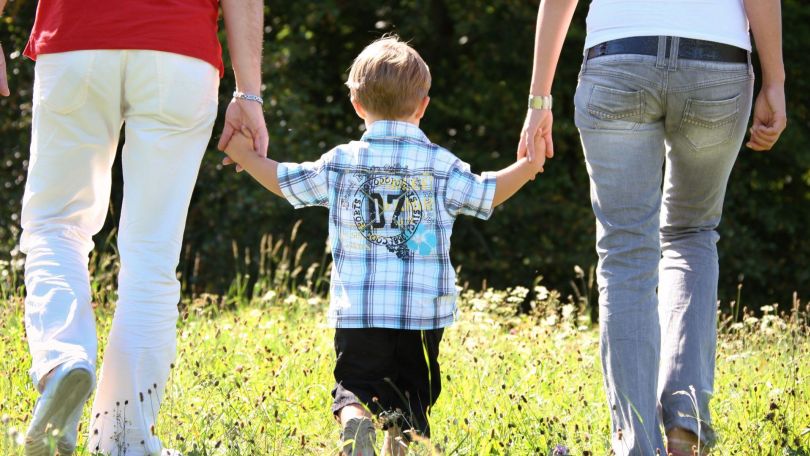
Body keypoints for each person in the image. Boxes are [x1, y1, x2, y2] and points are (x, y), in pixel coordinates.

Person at [222, 36, 546, 456]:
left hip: (360, 312)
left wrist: (245, 156)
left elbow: (286, 181)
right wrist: (528, 164)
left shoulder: (340, 162)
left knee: (354, 386)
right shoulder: (439, 163)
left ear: (356, 104)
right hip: (421, 314)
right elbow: (488, 192)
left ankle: (355, 420)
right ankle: (400, 443)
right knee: (411, 402)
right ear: (423, 105)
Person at [1, 0, 269, 454]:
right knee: (152, 255)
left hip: (76, 39)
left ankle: (63, 359)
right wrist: (248, 93)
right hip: (180, 53)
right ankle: (124, 439)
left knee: (56, 226)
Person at [519, 0, 786, 454]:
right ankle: (686, 425)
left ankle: (636, 443)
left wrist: (539, 100)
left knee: (626, 254)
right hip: (716, 65)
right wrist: (775, 81)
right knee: (692, 235)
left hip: (619, 59)